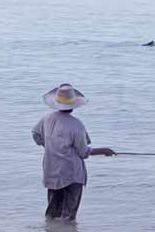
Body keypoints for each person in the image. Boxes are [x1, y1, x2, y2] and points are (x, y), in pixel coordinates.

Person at [32, 83, 116, 221]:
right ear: (73, 105)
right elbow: (83, 152)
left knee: (52, 214)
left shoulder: (46, 119)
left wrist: (50, 146)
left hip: (52, 172)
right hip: (72, 175)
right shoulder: (76, 125)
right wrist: (104, 151)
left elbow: (35, 135)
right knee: (68, 216)